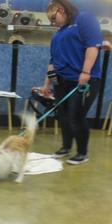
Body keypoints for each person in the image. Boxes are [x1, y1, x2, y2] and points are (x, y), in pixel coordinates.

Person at [41, 0, 103, 165]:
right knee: (63, 116)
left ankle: (82, 153)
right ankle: (66, 147)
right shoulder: (58, 34)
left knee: (76, 116)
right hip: (61, 82)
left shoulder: (84, 19)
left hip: (83, 81)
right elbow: (53, 62)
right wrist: (47, 84)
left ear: (61, 10)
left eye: (53, 19)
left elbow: (93, 46)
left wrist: (85, 72)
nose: (53, 23)